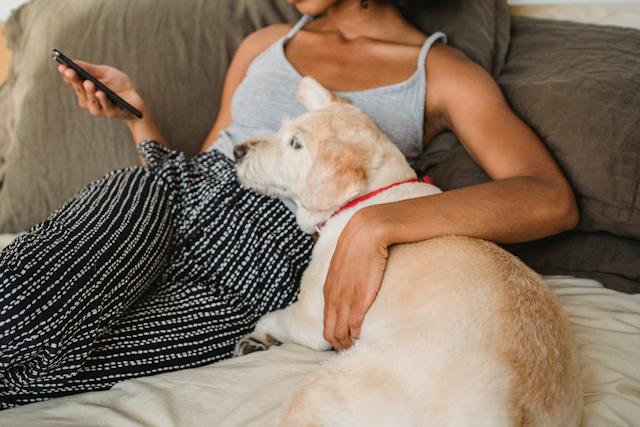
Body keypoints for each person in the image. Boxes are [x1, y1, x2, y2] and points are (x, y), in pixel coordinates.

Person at [0, 0, 579, 408]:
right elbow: (207, 167)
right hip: (163, 200)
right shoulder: (262, 45)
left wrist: (376, 224)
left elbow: (548, 197)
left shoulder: (445, 73)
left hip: (254, 276)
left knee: (53, 368)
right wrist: (137, 117)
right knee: (33, 289)